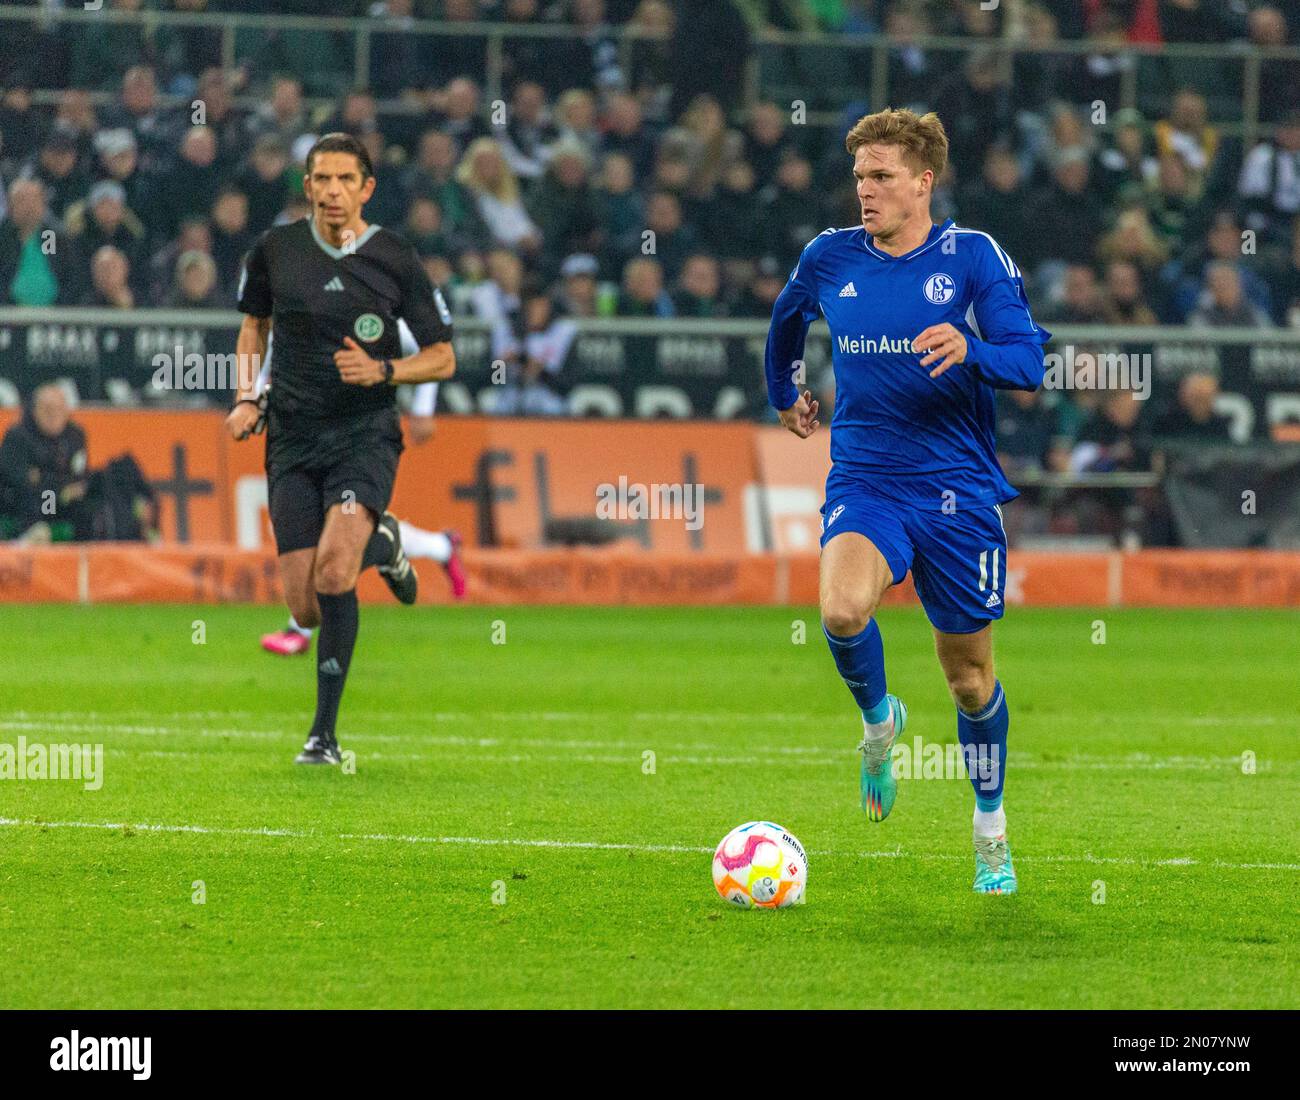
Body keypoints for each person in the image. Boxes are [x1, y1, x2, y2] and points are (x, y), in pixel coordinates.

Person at [765, 108, 1052, 895]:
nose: (866, 190)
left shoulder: (971, 258)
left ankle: (989, 826)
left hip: (957, 491)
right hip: (867, 478)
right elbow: (785, 321)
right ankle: (877, 723)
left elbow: (1028, 364)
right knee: (841, 611)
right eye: (859, 176)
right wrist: (782, 391)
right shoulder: (829, 258)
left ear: (924, 183)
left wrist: (972, 349)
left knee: (968, 679)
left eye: (882, 176)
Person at [226, 132, 456, 766]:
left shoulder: (395, 258)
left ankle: (322, 735)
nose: (332, 191)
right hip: (293, 437)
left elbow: (443, 356)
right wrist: (248, 397)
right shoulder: (274, 251)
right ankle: (383, 544)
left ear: (366, 188)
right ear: (307, 186)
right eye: (321, 179)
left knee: (333, 571)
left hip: (364, 436)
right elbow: (254, 326)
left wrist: (385, 374)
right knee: (304, 605)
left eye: (344, 180)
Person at [258, 317, 468, 657]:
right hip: (302, 431)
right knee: (313, 526)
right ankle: (440, 546)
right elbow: (270, 347)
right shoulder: (298, 299)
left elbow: (431, 348)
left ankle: (299, 630)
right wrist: (251, 396)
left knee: (334, 529)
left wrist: (422, 408)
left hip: (359, 436)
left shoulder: (368, 310)